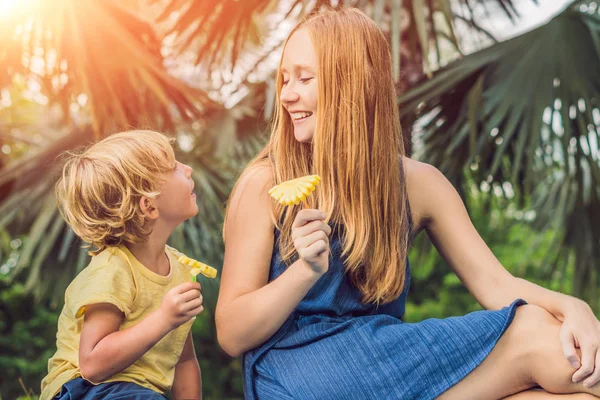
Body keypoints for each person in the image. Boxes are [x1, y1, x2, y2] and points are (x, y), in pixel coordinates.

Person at [215, 7, 600, 400]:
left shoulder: (418, 184)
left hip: (385, 361)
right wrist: (303, 273)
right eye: (285, 78)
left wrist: (574, 308)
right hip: (300, 373)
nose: (286, 94)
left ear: (352, 85)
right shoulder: (265, 184)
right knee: (536, 335)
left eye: (304, 78)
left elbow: (497, 284)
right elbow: (231, 333)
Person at [40, 130, 204, 400]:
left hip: (139, 393)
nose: (188, 170)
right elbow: (92, 364)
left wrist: (170, 319)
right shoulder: (113, 269)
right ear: (149, 206)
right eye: (174, 167)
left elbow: (184, 361)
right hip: (85, 389)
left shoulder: (181, 270)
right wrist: (164, 318)